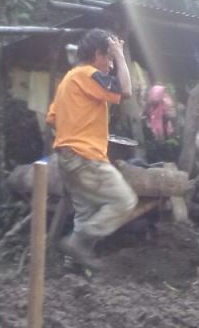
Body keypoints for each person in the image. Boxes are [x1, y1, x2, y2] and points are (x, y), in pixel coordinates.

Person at [47, 29, 138, 267]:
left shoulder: (69, 79)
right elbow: (126, 90)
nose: (109, 65)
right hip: (85, 157)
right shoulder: (88, 74)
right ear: (97, 54)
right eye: (107, 58)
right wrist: (120, 55)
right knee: (124, 201)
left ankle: (73, 269)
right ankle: (76, 244)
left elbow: (52, 118)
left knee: (86, 213)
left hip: (67, 158)